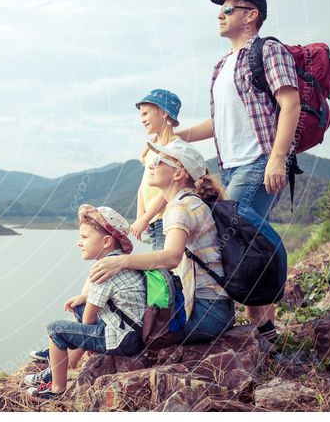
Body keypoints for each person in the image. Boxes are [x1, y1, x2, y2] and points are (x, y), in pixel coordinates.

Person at [175, 0, 300, 342]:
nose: (221, 14)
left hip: (259, 160)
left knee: (233, 236)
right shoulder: (221, 67)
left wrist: (277, 158)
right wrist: (175, 136)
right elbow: (217, 123)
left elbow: (289, 103)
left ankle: (257, 321)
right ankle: (265, 330)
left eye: (229, 8)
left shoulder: (268, 51)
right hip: (229, 166)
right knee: (244, 241)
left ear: (251, 15)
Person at [89, 139, 235, 345]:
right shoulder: (192, 200)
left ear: (178, 174)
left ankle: (67, 352)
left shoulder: (180, 207)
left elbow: (171, 258)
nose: (152, 164)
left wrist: (120, 261)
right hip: (218, 310)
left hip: (207, 314)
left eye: (159, 161)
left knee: (127, 327)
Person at [26, 205, 145, 400]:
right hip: (134, 331)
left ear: (106, 241)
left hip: (124, 338)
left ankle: (56, 389)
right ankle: (63, 364)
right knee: (80, 306)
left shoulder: (104, 269)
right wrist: (84, 299)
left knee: (56, 330)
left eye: (84, 237)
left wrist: (70, 337)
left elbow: (89, 319)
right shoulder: (121, 261)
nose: (79, 243)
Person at [131, 89, 182, 250]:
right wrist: (141, 216)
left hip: (165, 217)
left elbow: (168, 191)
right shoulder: (151, 149)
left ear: (164, 113)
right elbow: (143, 186)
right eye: (141, 115)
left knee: (164, 268)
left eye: (145, 114)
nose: (142, 119)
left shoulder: (174, 148)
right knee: (160, 268)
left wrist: (145, 218)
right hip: (152, 219)